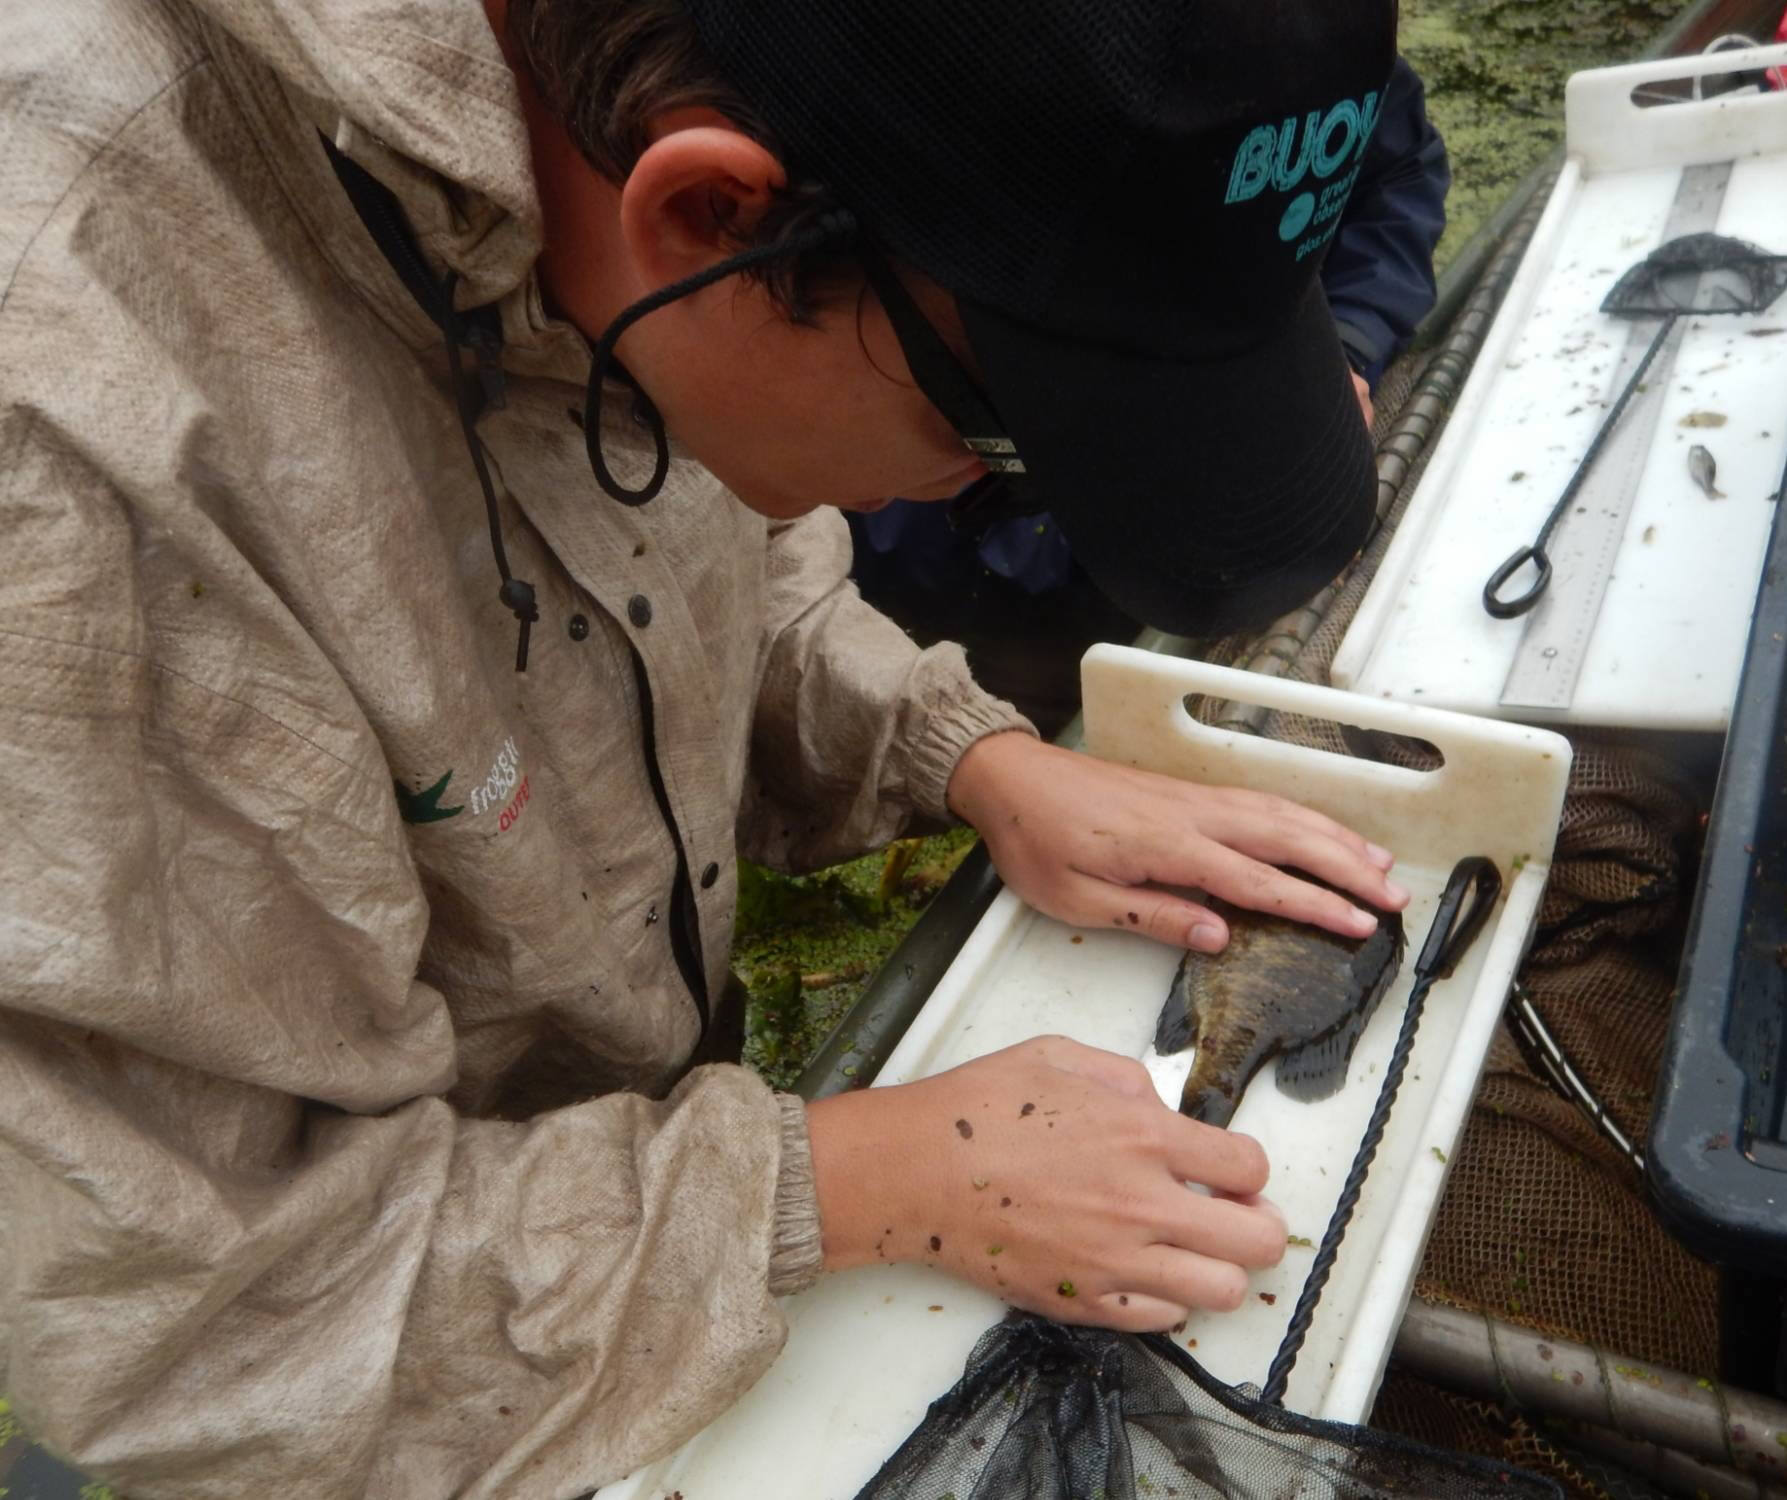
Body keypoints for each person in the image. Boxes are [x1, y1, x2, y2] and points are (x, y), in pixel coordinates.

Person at [0, 1, 1409, 1495]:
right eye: (1006, 437)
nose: (1005, 494)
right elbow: (211, 1328)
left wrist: (973, 761)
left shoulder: (631, 165)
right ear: (713, 215)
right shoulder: (77, 464)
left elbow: (718, 526)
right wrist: (849, 1181)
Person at [848, 56, 1448, 729]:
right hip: (967, 547)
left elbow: (1395, 168)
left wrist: (1344, 345)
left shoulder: (1312, 36)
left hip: (1213, 498)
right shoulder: (911, 90)